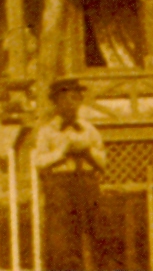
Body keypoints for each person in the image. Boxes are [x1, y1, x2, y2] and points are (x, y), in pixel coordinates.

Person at [32, 78, 106, 271]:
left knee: (95, 232)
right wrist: (62, 152)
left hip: (86, 183)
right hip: (60, 185)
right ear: (55, 103)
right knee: (62, 239)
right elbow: (39, 162)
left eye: (75, 99)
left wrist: (88, 151)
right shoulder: (47, 131)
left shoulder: (89, 129)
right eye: (64, 100)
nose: (70, 104)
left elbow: (103, 162)